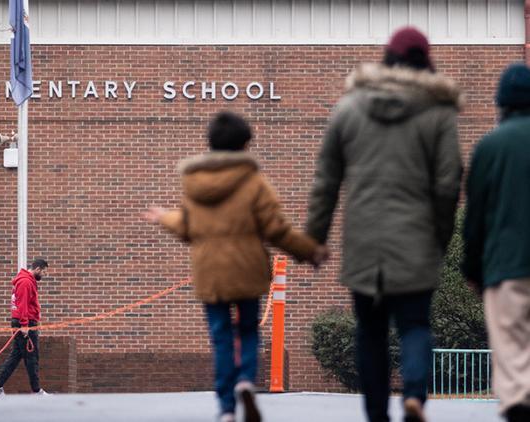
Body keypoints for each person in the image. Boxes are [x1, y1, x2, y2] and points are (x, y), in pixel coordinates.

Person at [305, 27, 463, 422]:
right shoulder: (438, 113)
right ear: (425, 64)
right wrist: (441, 236)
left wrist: (315, 238)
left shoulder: (350, 108)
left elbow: (327, 178)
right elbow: (448, 184)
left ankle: (376, 414)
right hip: (417, 239)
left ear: (385, 60)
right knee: (414, 324)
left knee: (370, 332)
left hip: (365, 241)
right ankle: (413, 394)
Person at [145, 111, 327, 422]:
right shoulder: (254, 182)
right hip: (247, 269)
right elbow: (276, 229)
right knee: (247, 330)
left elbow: (189, 226)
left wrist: (165, 217)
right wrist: (309, 251)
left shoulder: (194, 182)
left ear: (210, 143)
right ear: (245, 145)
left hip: (210, 272)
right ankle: (245, 380)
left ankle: (227, 408)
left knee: (220, 337)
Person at [462, 63, 530, 422]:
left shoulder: (490, 147)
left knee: (511, 350)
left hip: (506, 267)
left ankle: (519, 403)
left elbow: (475, 219)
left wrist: (472, 269)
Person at [0, 258, 49, 396]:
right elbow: (23, 305)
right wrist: (25, 325)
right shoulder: (26, 282)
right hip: (25, 324)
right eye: (44, 272)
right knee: (32, 357)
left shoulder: (25, 280)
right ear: (38, 269)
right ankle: (36, 390)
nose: (44, 275)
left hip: (23, 323)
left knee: (16, 356)